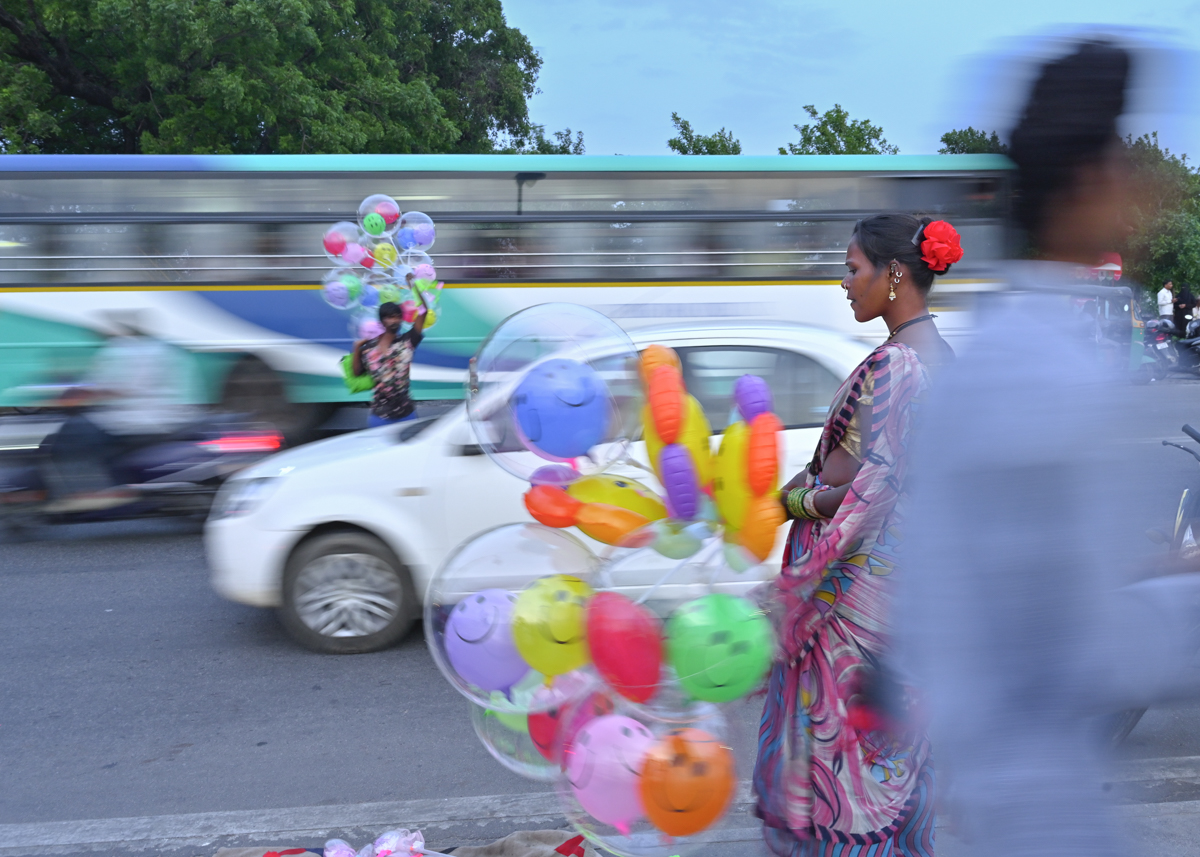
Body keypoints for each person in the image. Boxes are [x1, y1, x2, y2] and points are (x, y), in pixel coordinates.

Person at [898, 40, 1200, 857]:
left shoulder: (987, 356)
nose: (1141, 188)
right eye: (1125, 163)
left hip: (989, 792)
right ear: (1088, 181)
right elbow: (1099, 644)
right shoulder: (1057, 371)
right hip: (1049, 809)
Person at [752, 212, 959, 857]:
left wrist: (797, 504)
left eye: (852, 269)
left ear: (894, 274)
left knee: (846, 763)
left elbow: (879, 485)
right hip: (901, 588)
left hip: (858, 597)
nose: (844, 283)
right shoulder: (935, 354)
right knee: (887, 747)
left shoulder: (901, 365)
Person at [352, 295, 428, 427]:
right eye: (390, 317)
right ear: (382, 321)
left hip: (406, 414)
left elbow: (424, 311)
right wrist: (357, 348)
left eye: (398, 317)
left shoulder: (408, 341)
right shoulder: (368, 349)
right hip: (379, 417)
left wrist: (414, 286)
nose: (395, 321)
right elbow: (357, 372)